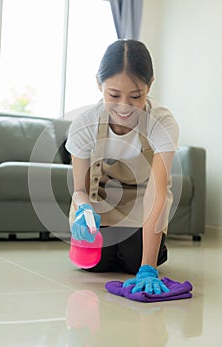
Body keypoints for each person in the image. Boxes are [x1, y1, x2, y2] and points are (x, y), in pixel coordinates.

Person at [65, 39, 179, 295]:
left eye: (135, 96)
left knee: (134, 259)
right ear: (99, 84)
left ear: (150, 86)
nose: (124, 107)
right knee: (95, 264)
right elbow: (79, 189)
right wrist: (83, 208)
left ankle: (148, 252)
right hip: (100, 200)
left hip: (144, 201)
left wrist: (148, 266)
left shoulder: (163, 123)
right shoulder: (85, 124)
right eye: (113, 95)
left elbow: (157, 193)